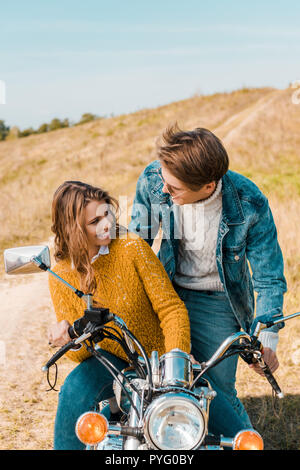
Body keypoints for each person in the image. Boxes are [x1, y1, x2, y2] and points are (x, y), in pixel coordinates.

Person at [47, 180, 247, 450]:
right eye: (94, 221)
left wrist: (176, 357)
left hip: (161, 359)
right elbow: (81, 354)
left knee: (236, 435)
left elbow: (171, 308)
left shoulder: (131, 247)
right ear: (73, 230)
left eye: (107, 213)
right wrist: (68, 337)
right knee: (73, 390)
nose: (107, 224)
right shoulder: (61, 273)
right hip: (111, 363)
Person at [128, 124, 287, 429]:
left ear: (208, 185)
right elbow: (137, 242)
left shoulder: (249, 202)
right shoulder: (154, 178)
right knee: (152, 381)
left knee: (217, 396)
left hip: (217, 300)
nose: (164, 190)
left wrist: (266, 338)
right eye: (164, 181)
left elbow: (268, 275)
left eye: (173, 189)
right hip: (167, 291)